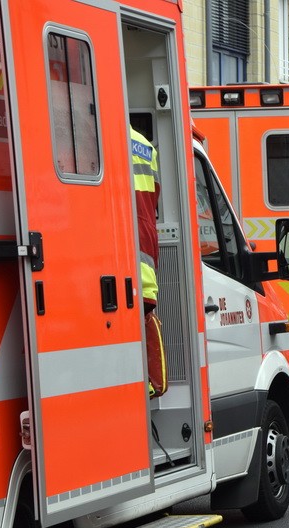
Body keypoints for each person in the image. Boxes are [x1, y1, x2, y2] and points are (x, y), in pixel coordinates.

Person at [131, 126, 166, 398]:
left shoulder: (98, 137)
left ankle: (150, 383)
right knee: (144, 313)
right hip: (144, 245)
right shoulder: (144, 144)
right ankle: (152, 383)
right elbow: (153, 199)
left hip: (124, 249)